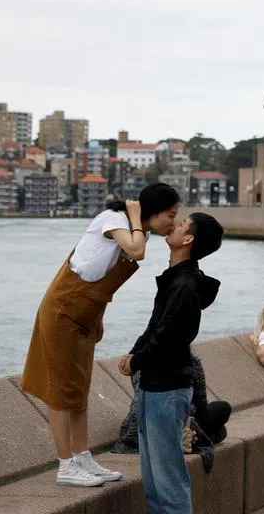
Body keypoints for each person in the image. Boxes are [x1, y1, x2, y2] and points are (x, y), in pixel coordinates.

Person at [21, 183, 180, 488]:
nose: (172, 222)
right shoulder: (114, 220)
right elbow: (136, 252)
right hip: (63, 309)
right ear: (154, 210)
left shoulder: (137, 231)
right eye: (170, 215)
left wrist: (98, 317)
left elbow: (102, 275)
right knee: (60, 389)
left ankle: (82, 458)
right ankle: (65, 465)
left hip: (85, 313)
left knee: (79, 389)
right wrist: (134, 216)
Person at [118, 213, 224, 514]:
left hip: (167, 388)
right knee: (153, 479)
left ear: (188, 239)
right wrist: (136, 353)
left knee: (168, 480)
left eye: (182, 224)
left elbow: (168, 334)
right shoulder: (176, 279)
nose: (174, 225)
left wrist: (138, 358)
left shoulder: (184, 285)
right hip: (157, 385)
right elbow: (156, 326)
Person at [114, 352, 231, 469]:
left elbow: (139, 402)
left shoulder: (140, 364)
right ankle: (200, 437)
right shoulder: (191, 363)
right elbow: (201, 407)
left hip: (144, 430)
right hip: (173, 427)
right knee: (222, 412)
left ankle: (201, 435)